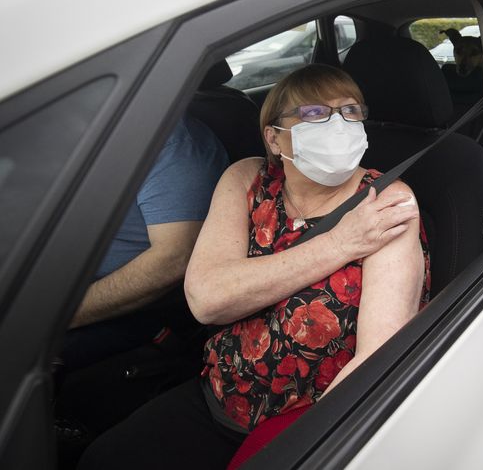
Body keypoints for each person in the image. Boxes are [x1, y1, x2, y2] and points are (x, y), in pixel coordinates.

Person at [78, 64, 429, 470]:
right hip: (220, 392)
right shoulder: (247, 179)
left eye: (350, 111)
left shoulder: (387, 203)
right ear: (274, 138)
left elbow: (377, 361)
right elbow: (208, 300)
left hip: (313, 410)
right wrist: (339, 244)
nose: (338, 124)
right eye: (314, 113)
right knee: (102, 460)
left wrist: (314, 450)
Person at [60, 115, 228, 371]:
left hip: (138, 309)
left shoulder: (174, 145)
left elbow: (175, 258)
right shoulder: (86, 138)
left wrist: (60, 315)